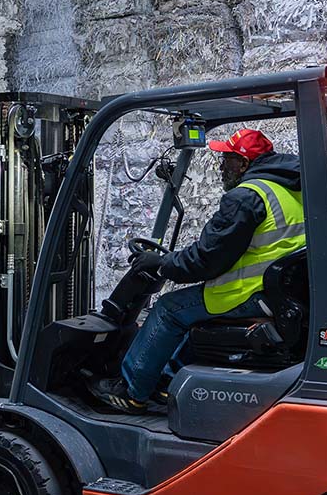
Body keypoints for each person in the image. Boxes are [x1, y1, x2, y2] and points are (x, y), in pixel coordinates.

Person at [88, 128, 306, 414]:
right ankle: (167, 382)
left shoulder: (245, 197)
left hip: (249, 292)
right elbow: (228, 247)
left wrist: (162, 264)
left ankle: (132, 391)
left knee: (168, 309)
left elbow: (206, 260)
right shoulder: (290, 191)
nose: (220, 165)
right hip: (281, 292)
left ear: (243, 163)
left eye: (226, 158)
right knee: (190, 314)